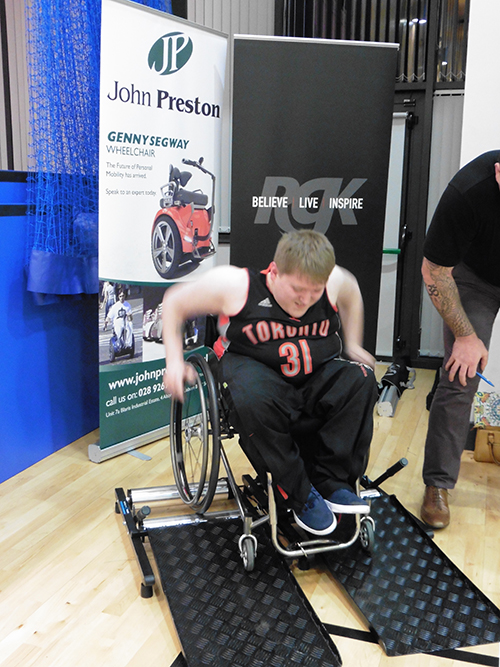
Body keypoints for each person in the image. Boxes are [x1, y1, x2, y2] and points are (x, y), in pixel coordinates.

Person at [162, 229, 378, 536]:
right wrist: (174, 360)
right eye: (298, 290)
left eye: (314, 292)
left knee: (361, 379)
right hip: (257, 374)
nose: (305, 299)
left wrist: (353, 344)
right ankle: (299, 494)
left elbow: (352, 292)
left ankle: (331, 481)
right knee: (250, 395)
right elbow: (174, 302)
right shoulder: (236, 285)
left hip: (312, 376)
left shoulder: (334, 281)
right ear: (274, 272)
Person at [420, 150, 500, 529]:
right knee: (460, 374)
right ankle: (437, 484)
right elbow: (434, 270)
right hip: (475, 278)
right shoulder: (469, 191)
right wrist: (466, 337)